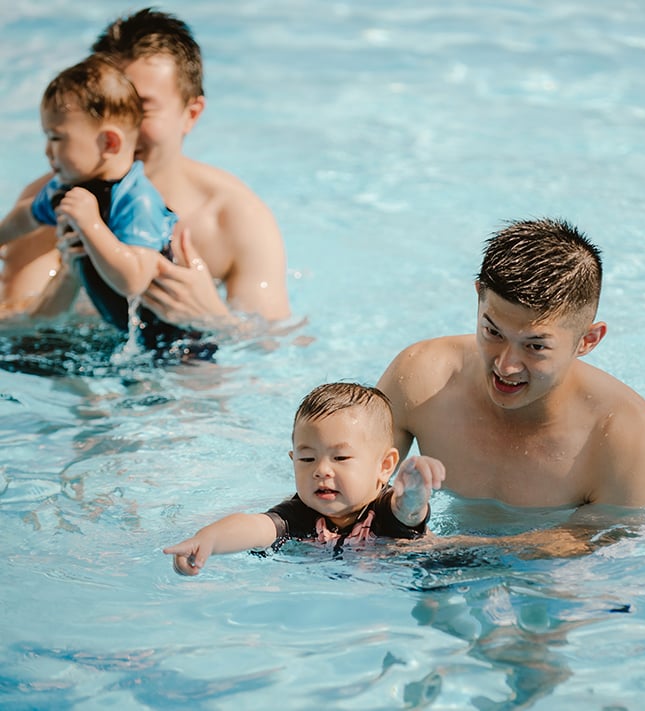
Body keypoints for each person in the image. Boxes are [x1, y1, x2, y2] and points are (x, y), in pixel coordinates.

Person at [0, 8, 290, 331]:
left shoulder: (234, 220)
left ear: (191, 114)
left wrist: (213, 319)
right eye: (106, 109)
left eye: (141, 109)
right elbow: (12, 331)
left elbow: (276, 345)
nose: (121, 130)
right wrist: (69, 281)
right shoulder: (58, 201)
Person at [376, 218, 645, 509]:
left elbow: (605, 552)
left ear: (588, 341)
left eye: (535, 346)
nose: (506, 366)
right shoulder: (422, 378)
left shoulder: (631, 444)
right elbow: (350, 489)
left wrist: (450, 551)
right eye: (493, 332)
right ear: (479, 297)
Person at [0, 55, 194, 352]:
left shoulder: (137, 200)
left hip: (173, 344)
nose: (47, 151)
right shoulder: (66, 187)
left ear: (109, 143)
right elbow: (25, 218)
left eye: (56, 138)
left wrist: (91, 225)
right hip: (124, 339)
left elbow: (134, 280)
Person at [163, 382, 446, 575]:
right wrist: (208, 541)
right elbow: (253, 527)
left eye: (340, 458)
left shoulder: (386, 508)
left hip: (423, 570)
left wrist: (413, 489)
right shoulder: (300, 514)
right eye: (307, 459)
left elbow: (408, 511)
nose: (321, 470)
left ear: (385, 467)